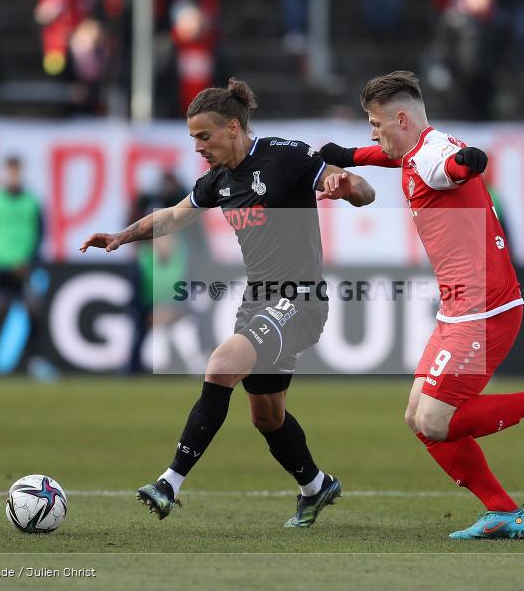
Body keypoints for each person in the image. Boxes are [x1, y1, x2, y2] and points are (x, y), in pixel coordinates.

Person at [319, 71, 524, 540]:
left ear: (402, 118)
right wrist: (342, 156)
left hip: (485, 312)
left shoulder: (434, 157)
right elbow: (378, 155)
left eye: (375, 123)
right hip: (459, 310)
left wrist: (470, 163)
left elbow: (453, 168)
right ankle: (503, 511)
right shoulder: (414, 148)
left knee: (435, 420)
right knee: (417, 418)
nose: (372, 133)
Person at [81, 78, 376, 527]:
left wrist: (347, 186)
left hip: (300, 299)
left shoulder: (287, 154)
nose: (198, 147)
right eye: (193, 138)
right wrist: (123, 236)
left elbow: (362, 189)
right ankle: (316, 486)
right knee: (267, 417)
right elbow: (174, 216)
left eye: (205, 136)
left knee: (221, 364)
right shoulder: (218, 181)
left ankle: (169, 483)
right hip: (257, 300)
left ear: (233, 128)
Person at [0, 156, 57, 383]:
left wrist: (32, 263)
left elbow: (40, 235)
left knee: (32, 311)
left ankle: (37, 362)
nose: (13, 176)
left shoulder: (32, 201)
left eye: (17, 172)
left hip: (22, 268)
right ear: (4, 173)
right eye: (10, 172)